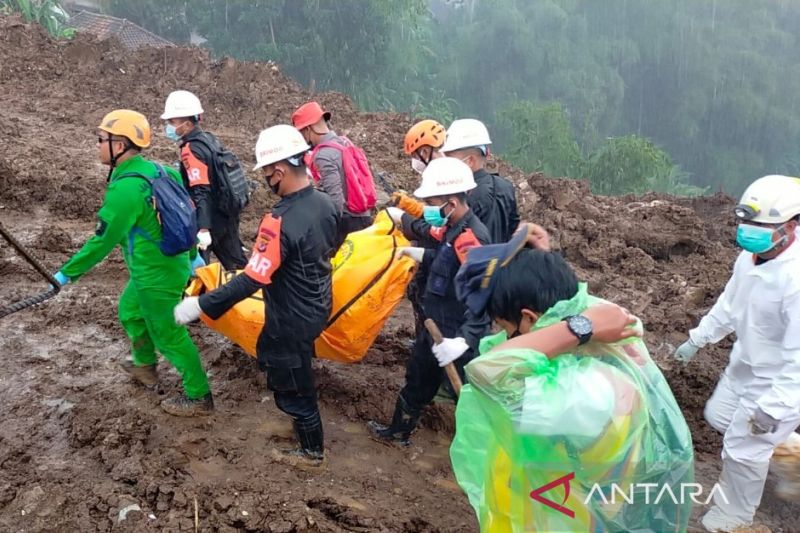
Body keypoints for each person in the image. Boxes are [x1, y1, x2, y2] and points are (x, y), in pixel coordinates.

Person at [452, 229, 694, 532]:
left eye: (503, 326)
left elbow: (486, 370)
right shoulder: (598, 348)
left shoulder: (585, 390)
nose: (500, 337)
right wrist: (542, 267)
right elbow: (581, 309)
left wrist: (577, 326)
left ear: (528, 318)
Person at [174, 125, 339, 469]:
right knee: (289, 362)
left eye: (266, 172)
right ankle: (303, 430)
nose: (265, 179)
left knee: (293, 381)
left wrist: (202, 304)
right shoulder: (324, 203)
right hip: (318, 302)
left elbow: (252, 278)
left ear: (279, 170)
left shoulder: (278, 221)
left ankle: (311, 452)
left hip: (290, 316)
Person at [52, 110, 213, 416]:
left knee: (168, 334)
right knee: (129, 310)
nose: (98, 145)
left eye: (102, 140)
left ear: (121, 145)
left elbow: (101, 242)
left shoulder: (125, 191)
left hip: (156, 274)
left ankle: (199, 396)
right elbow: (187, 218)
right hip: (165, 267)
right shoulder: (163, 171)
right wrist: (192, 259)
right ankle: (144, 366)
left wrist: (64, 275)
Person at [674, 174, 800, 532]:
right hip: (746, 363)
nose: (751, 231)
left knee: (743, 447)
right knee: (720, 416)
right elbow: (730, 304)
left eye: (762, 225)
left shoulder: (795, 279)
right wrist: (697, 339)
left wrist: (774, 410)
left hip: (780, 381)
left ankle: (735, 515)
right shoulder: (750, 257)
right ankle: (791, 453)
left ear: (791, 225)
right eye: (748, 222)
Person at [367, 157, 491, 445]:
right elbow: (446, 261)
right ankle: (398, 433)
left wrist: (465, 341)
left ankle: (481, 450)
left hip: (457, 333)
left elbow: (483, 295)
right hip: (433, 325)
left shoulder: (471, 239)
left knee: (468, 395)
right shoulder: (452, 229)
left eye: (433, 202)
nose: (430, 209)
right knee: (418, 379)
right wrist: (417, 254)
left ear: (451, 202)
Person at [162, 90, 248, 271]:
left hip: (209, 219)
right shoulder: (209, 139)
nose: (168, 126)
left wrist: (203, 228)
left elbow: (201, 190)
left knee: (198, 273)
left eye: (172, 122)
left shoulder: (190, 150)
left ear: (186, 124)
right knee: (239, 268)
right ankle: (258, 297)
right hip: (226, 214)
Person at [394, 119, 448, 342]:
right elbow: (434, 212)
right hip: (435, 249)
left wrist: (406, 218)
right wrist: (412, 206)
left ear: (425, 150)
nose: (415, 162)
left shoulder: (443, 175)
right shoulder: (447, 169)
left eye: (416, 156)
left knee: (427, 301)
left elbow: (437, 224)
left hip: (436, 252)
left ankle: (427, 343)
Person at [291, 101, 372, 246]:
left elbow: (336, 201)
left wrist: (327, 232)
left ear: (308, 130)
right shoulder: (344, 142)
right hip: (364, 216)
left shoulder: (323, 155)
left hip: (348, 223)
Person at [441, 118, 520, 243]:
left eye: (450, 157)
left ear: (470, 160)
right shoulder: (506, 187)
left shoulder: (464, 197)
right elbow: (513, 229)